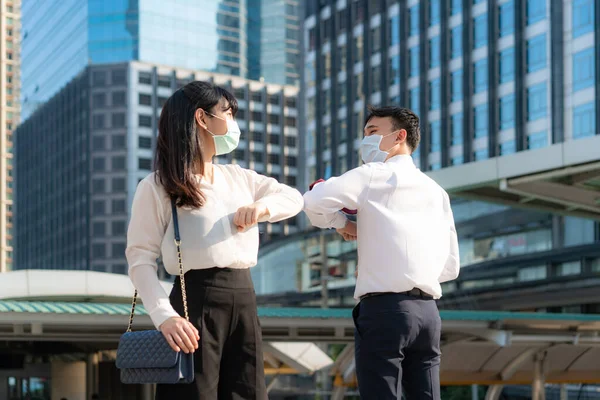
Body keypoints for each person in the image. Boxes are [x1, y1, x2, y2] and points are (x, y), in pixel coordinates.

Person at [126, 81, 303, 399]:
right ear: (202, 118)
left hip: (245, 300)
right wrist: (164, 316)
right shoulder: (158, 185)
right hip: (195, 302)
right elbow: (140, 257)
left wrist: (262, 207)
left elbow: (293, 198)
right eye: (228, 112)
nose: (234, 121)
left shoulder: (239, 177)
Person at [303, 106, 460, 400]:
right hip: (428, 314)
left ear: (400, 135)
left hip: (385, 308)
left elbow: (313, 202)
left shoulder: (373, 175)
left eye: (372, 132)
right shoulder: (437, 192)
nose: (366, 140)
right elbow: (450, 267)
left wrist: (342, 223)